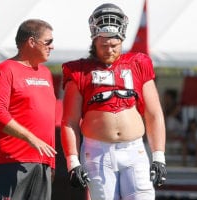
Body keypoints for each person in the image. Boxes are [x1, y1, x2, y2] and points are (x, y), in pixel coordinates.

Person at [61, 3, 166, 200]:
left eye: (114, 45)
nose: (109, 50)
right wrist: (72, 161)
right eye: (104, 45)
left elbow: (154, 113)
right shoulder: (78, 71)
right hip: (98, 152)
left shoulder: (138, 64)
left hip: (135, 150)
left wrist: (159, 156)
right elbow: (69, 121)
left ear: (122, 40)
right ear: (94, 41)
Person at [0, 19, 57, 200]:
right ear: (31, 42)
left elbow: (47, 119)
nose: (52, 47)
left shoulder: (46, 73)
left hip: (42, 162)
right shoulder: (5, 70)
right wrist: (31, 139)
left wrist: (51, 163)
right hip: (11, 161)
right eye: (48, 41)